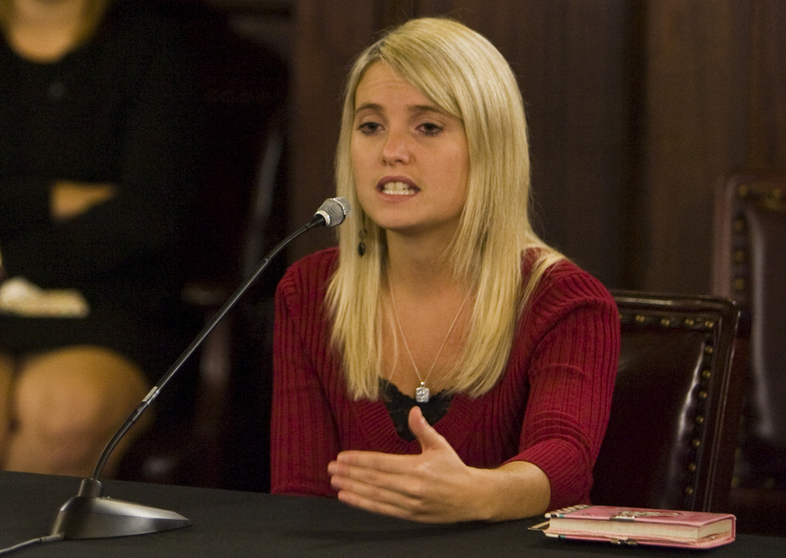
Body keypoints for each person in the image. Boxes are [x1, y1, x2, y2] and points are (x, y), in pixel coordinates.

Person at [270, 17, 619, 523]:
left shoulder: (566, 302)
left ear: (489, 147)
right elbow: (299, 497)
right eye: (371, 126)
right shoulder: (309, 292)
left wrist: (476, 495)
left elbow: (563, 465)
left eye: (427, 126)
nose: (391, 151)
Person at [0, 0, 202, 477]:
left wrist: (11, 257)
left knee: (66, 412)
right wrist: (54, 198)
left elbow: (148, 214)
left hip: (113, 302)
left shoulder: (150, 45)